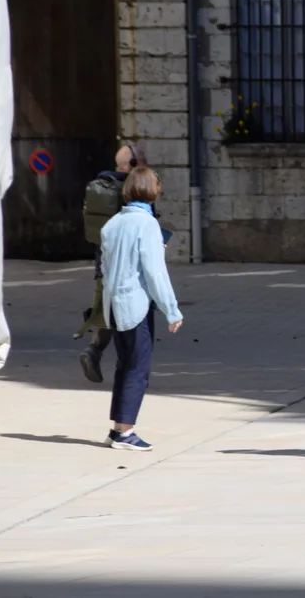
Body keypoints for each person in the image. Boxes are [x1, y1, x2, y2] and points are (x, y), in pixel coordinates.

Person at [99, 166, 184, 451]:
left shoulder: (112, 224)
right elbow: (155, 272)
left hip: (113, 305)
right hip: (135, 305)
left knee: (124, 365)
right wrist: (171, 310)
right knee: (138, 368)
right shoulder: (147, 225)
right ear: (152, 190)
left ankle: (117, 428)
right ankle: (126, 432)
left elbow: (104, 267)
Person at [76, 144, 148, 384]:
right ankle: (132, 369)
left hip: (102, 260)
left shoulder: (101, 185)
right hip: (126, 266)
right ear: (134, 166)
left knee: (103, 311)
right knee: (129, 317)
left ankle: (94, 351)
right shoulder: (131, 190)